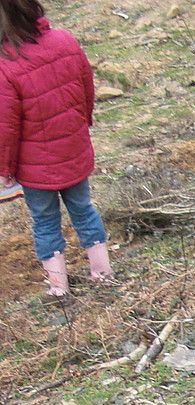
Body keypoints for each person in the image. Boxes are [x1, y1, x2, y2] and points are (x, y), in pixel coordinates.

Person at [0, 0, 112, 296]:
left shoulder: (5, 65)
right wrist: (82, 123)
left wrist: (5, 169)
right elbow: (86, 88)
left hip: (35, 168)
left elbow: (6, 128)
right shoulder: (65, 40)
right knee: (84, 210)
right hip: (74, 150)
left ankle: (58, 288)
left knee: (45, 222)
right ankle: (102, 274)